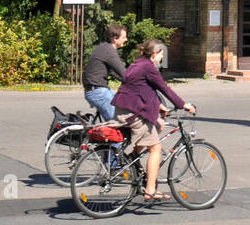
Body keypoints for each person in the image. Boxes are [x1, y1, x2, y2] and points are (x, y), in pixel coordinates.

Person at [112, 39, 195, 201]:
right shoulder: (149, 67)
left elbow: (144, 88)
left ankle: (132, 157)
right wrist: (183, 105)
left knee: (159, 125)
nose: (163, 57)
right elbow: (164, 88)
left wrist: (159, 106)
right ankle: (150, 190)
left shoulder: (138, 63)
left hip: (124, 108)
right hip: (132, 112)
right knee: (156, 148)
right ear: (155, 53)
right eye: (162, 53)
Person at [83, 24, 128, 120]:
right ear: (115, 39)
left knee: (124, 105)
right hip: (98, 92)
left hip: (96, 90)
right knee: (117, 122)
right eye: (123, 37)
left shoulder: (105, 47)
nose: (126, 39)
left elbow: (113, 73)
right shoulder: (109, 51)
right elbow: (124, 73)